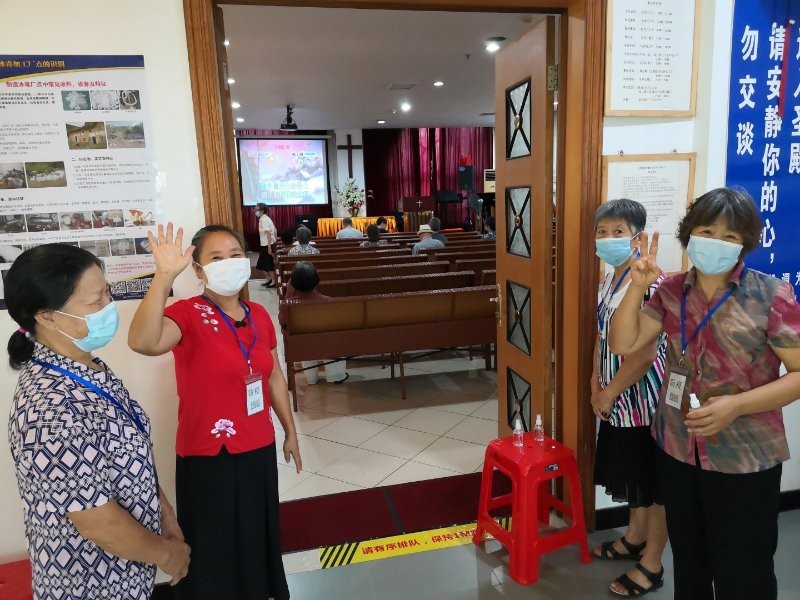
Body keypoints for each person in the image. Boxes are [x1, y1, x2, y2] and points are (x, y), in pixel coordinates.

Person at [609, 187, 800, 600]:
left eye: (730, 237)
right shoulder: (672, 291)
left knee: (744, 571)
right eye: (707, 230)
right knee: (691, 564)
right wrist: (635, 287)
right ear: (689, 233)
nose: (716, 242)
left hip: (745, 457)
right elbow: (624, 343)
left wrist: (737, 405)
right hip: (678, 449)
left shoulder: (771, 295)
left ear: (745, 243)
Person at [5, 244, 190, 599]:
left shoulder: (86, 368)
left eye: (107, 292)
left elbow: (129, 448)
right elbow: (97, 519)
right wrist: (170, 556)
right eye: (94, 302)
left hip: (130, 569)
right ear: (48, 317)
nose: (108, 307)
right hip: (91, 581)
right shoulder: (49, 407)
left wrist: (164, 511)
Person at [128, 223, 302, 600]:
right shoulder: (186, 314)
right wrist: (162, 277)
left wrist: (289, 431)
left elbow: (273, 378)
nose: (230, 263)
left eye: (236, 255)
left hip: (257, 443)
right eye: (216, 258)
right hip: (208, 451)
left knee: (256, 529)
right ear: (198, 269)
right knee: (213, 538)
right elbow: (143, 341)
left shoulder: (259, 313)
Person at [590, 199, 669, 598]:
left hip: (643, 401)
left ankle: (652, 563)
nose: (607, 239)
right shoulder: (610, 278)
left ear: (637, 236)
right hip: (617, 399)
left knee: (653, 488)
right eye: (601, 232)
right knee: (636, 480)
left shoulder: (650, 281)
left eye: (617, 232)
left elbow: (644, 353)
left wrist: (609, 390)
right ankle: (634, 538)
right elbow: (603, 336)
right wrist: (594, 379)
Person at [279, 261, 348, 384]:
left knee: (305, 339)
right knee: (332, 336)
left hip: (302, 347)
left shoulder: (288, 305)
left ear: (293, 284)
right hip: (330, 346)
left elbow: (282, 323)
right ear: (317, 281)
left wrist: (289, 294)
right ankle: (335, 376)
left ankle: (311, 378)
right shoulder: (331, 302)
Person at [255, 203, 277, 288]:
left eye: (256, 210)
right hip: (268, 243)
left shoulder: (263, 220)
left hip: (267, 245)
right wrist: (274, 241)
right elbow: (275, 230)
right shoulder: (266, 218)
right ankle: (270, 280)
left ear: (262, 210)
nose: (255, 212)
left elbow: (268, 233)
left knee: (268, 264)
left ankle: (273, 281)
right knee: (263, 264)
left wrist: (269, 247)